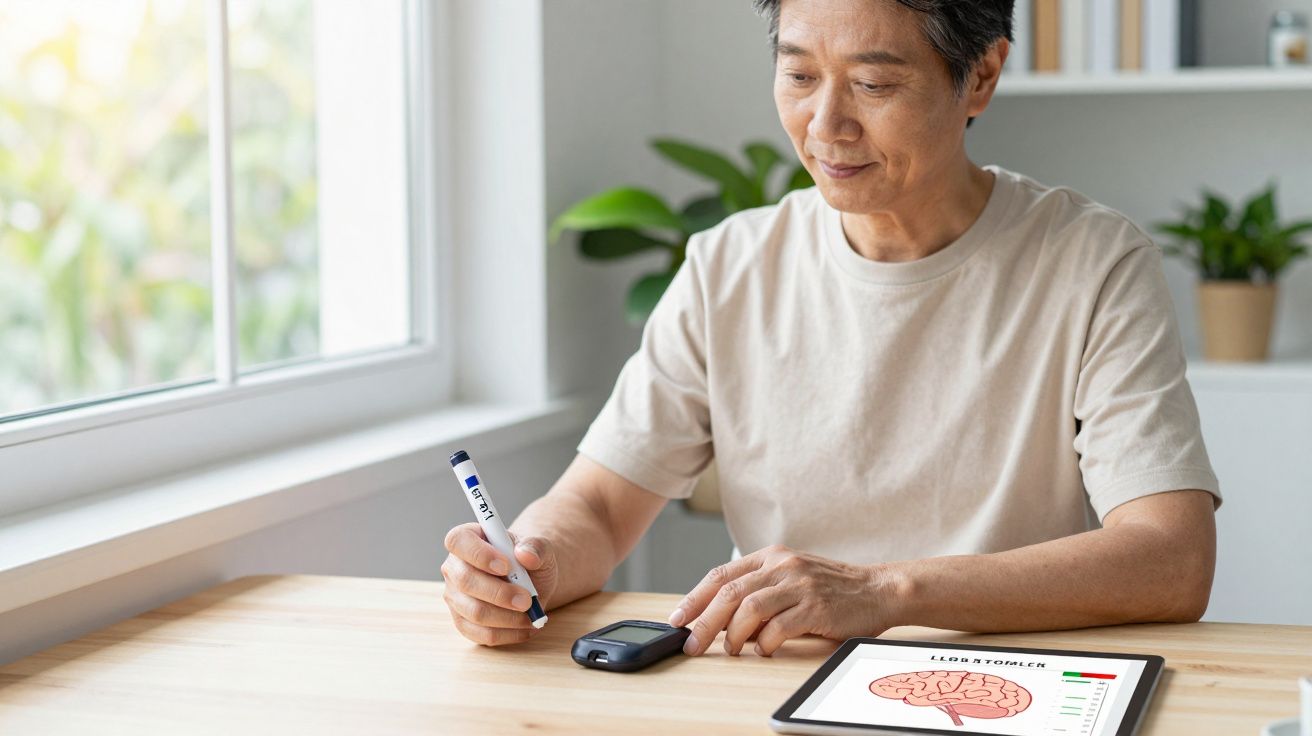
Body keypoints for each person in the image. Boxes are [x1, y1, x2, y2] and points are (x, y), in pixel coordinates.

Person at [440, 0, 1221, 658]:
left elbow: (1171, 558)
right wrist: (526, 565)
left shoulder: (1091, 261)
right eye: (800, 75)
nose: (826, 123)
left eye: (874, 83)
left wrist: (884, 593)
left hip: (1001, 683)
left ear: (981, 75)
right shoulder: (729, 266)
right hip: (771, 682)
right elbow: (602, 508)